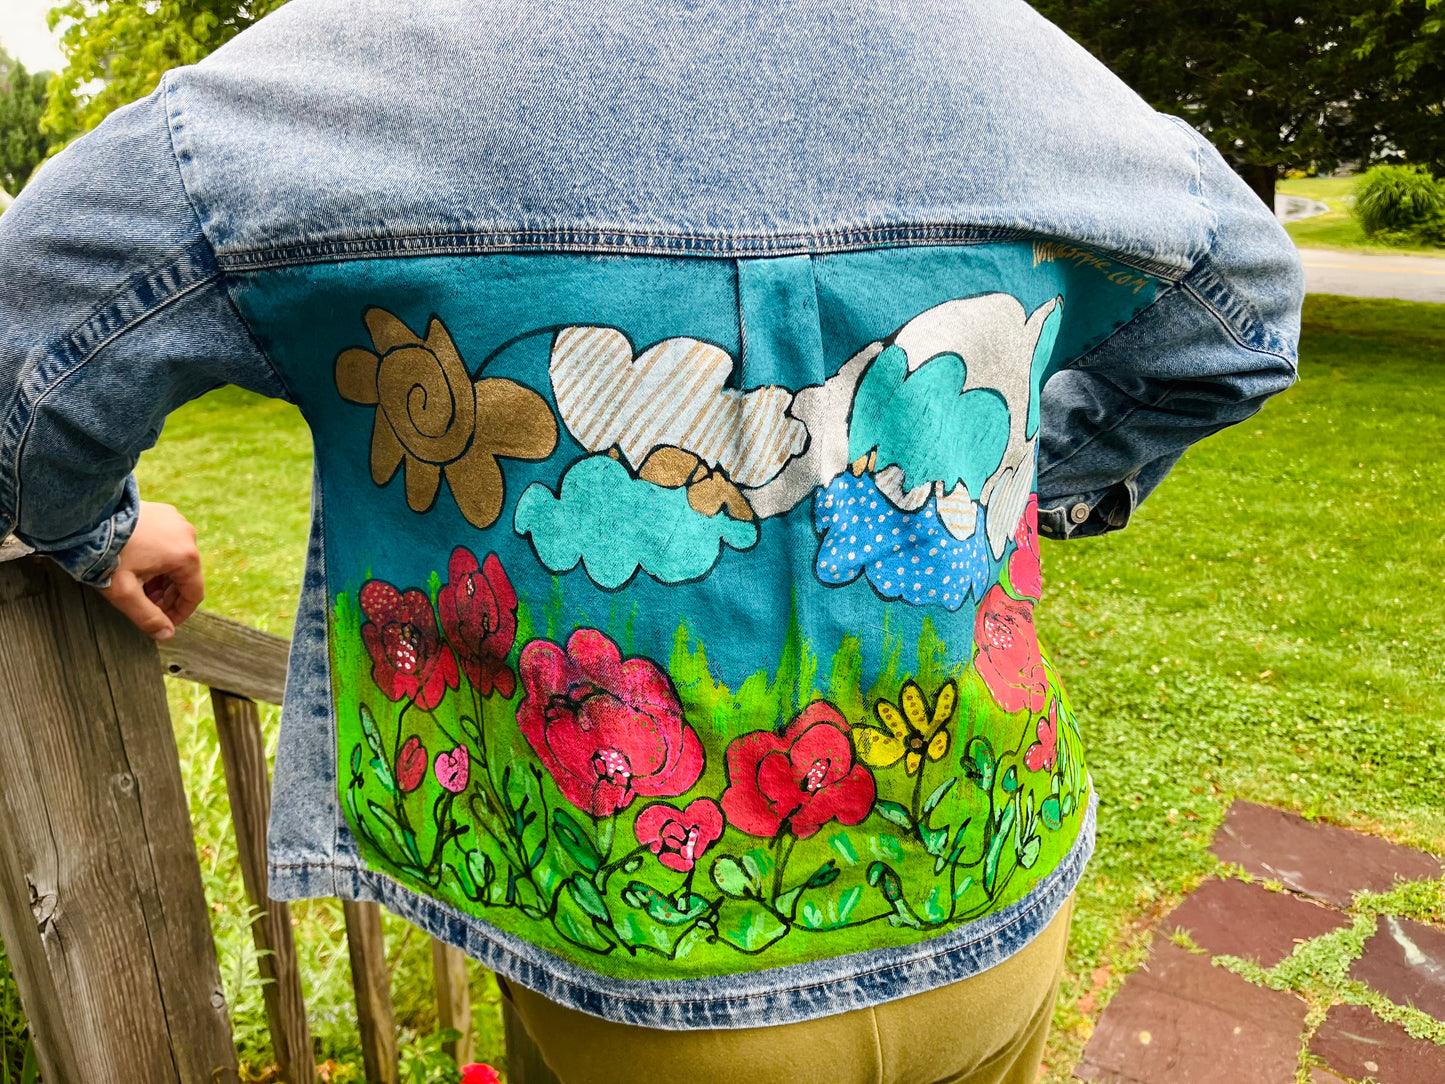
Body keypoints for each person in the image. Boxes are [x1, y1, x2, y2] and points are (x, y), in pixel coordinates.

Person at [0, 1, 1304, 1081]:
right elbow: (1242, 316)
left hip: (648, 975)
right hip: (997, 898)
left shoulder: (339, 75)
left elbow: (31, 355)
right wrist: (1025, 477)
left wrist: (94, 528)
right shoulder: (1010, 55)